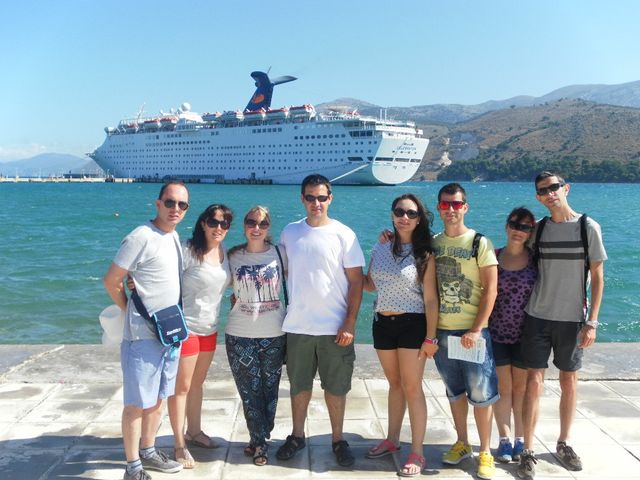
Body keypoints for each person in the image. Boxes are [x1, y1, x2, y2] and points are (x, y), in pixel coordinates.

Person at [517, 172, 607, 479]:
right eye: (543, 190)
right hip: (537, 315)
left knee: (569, 380)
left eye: (554, 187)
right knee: (534, 380)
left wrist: (592, 322)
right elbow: (515, 250)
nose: (550, 193)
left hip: (572, 319)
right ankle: (527, 450)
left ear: (566, 189)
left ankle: (564, 443)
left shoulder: (587, 228)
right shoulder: (539, 230)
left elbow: (597, 277)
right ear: (538, 197)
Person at [276, 174, 365, 468]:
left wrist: (349, 323)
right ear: (302, 199)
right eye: (311, 197)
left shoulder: (345, 234)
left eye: (322, 197)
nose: (316, 203)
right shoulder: (289, 233)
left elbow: (356, 283)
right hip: (298, 325)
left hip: (335, 328)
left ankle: (338, 439)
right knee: (299, 385)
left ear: (330, 199)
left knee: (336, 387)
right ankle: (297, 435)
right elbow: (278, 272)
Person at [103, 181, 189, 480]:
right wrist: (130, 311)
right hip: (142, 337)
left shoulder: (173, 236)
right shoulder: (141, 236)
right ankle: (132, 467)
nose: (175, 209)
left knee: (158, 397)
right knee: (137, 403)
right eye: (170, 202)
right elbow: (112, 280)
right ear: (158, 203)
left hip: (169, 333)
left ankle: (149, 451)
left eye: (181, 205)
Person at [363, 194, 439, 477]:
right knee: (394, 383)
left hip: (413, 324)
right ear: (392, 215)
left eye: (410, 213)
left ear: (419, 218)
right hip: (382, 323)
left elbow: (431, 300)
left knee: (412, 387)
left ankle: (417, 452)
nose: (403, 217)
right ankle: (392, 440)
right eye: (399, 211)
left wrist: (431, 338)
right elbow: (370, 285)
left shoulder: (424, 254)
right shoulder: (381, 246)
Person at [432, 182, 499, 480]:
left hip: (472, 333)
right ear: (438, 207)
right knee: (455, 391)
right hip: (444, 333)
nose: (451, 210)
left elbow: (490, 290)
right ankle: (462, 442)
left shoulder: (479, 243)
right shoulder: (433, 243)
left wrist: (476, 329)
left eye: (456, 204)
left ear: (465, 207)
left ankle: (485, 451)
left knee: (481, 394)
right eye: (445, 204)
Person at [169, 204, 233, 468]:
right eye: (214, 222)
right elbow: (161, 275)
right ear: (203, 223)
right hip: (187, 328)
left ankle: (194, 432)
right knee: (181, 387)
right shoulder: (187, 250)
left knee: (197, 383)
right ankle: (179, 445)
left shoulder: (225, 253)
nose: (219, 227)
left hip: (210, 329)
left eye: (225, 223)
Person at [226, 206, 287, 466]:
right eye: (251, 222)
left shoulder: (280, 253)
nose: (256, 227)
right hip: (239, 333)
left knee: (269, 391)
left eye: (262, 223)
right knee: (249, 391)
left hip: (274, 332)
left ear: (268, 227)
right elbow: (207, 277)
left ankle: (259, 436)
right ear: (244, 225)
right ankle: (261, 443)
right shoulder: (232, 255)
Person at [488, 207, 537, 464]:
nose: (519, 230)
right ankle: (504, 439)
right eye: (516, 224)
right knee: (502, 389)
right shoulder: (493, 257)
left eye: (526, 227)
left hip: (527, 336)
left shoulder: (536, 260)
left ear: (531, 233)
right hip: (496, 333)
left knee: (521, 389)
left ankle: (520, 438)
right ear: (507, 226)